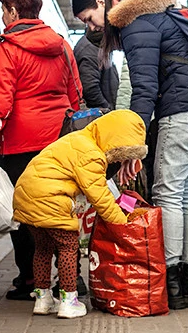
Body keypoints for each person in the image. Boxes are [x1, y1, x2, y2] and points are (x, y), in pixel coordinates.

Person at [105, 0, 188, 310]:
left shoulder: (136, 24)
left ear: (127, 3)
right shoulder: (174, 16)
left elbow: (143, 88)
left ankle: (172, 279)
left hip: (183, 111)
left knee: (169, 193)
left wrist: (132, 144)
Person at [0, 0, 81, 300]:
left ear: (14, 11)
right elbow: (75, 94)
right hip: (59, 141)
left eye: (4, 10)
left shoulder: (7, 47)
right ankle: (69, 280)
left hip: (21, 144)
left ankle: (31, 281)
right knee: (61, 209)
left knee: (27, 215)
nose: (3, 16)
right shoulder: (61, 44)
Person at [13, 110, 147, 319]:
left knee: (43, 248)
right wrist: (122, 223)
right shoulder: (91, 153)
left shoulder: (78, 139)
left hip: (26, 194)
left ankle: (43, 299)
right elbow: (99, 195)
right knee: (68, 247)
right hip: (50, 198)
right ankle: (69, 300)